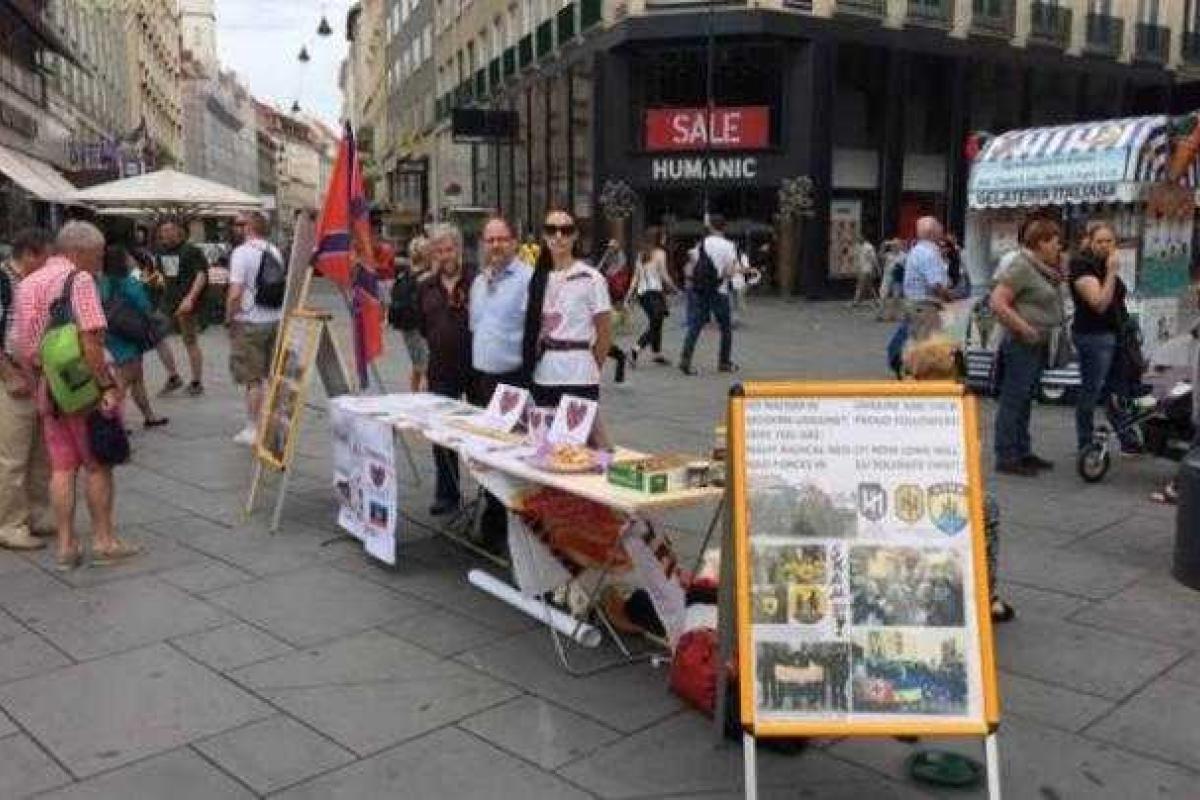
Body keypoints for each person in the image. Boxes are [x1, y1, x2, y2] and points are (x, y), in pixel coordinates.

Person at [10, 221, 139, 569]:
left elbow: (23, 346)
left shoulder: (28, 282)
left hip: (49, 389)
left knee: (62, 468)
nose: (99, 263)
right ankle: (103, 540)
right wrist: (106, 386)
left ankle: (66, 546)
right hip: (84, 390)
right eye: (97, 256)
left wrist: (38, 379)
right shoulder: (78, 280)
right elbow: (91, 339)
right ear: (78, 252)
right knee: (98, 465)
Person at [903, 335, 1015, 621]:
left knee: (982, 506)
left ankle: (980, 590)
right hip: (918, 493)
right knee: (985, 508)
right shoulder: (939, 405)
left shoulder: (954, 404)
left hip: (928, 492)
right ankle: (986, 594)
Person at [523, 206, 613, 447]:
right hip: (545, 374)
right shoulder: (538, 279)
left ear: (575, 236)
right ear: (544, 236)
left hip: (579, 374)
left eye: (566, 230)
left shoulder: (591, 278)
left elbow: (604, 332)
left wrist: (593, 365)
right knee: (546, 448)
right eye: (552, 230)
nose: (559, 236)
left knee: (579, 449)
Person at [468, 216, 533, 552]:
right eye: (490, 240)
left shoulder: (528, 280)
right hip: (483, 380)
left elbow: (535, 333)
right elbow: (477, 329)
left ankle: (508, 530)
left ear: (515, 242)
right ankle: (491, 523)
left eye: (502, 239)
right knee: (486, 456)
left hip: (513, 382)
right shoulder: (480, 282)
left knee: (509, 460)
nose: (495, 246)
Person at [989, 218, 1066, 476]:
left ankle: (1022, 450)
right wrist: (1023, 327)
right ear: (1041, 242)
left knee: (1025, 399)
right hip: (1022, 343)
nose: (1059, 246)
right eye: (1055, 241)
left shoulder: (1044, 268)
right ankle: (1006, 455)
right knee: (1013, 399)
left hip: (1039, 343)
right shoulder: (1022, 266)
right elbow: (998, 302)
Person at [0, 228, 54, 551]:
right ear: (31, 254)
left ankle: (35, 511)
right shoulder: (3, 282)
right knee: (13, 456)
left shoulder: (32, 283)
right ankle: (9, 523)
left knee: (39, 452)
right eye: (46, 258)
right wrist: (9, 374)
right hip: (12, 378)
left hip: (36, 376)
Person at [1070, 221, 1141, 457]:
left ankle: (1127, 438)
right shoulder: (1082, 266)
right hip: (1093, 335)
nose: (1105, 246)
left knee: (1117, 390)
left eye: (1109, 241)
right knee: (1091, 390)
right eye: (1099, 241)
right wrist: (1111, 272)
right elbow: (1099, 303)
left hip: (1115, 334)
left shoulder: (1105, 262)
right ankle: (1085, 443)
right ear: (1090, 242)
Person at [418, 224, 473, 515]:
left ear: (459, 250)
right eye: (438, 250)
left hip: (477, 368)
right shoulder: (426, 286)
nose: (444, 255)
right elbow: (423, 327)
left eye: (449, 249)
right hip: (440, 368)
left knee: (483, 432)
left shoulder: (476, 280)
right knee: (441, 433)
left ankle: (490, 496)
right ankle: (447, 493)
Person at [226, 212, 284, 446]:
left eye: (239, 224)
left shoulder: (241, 252)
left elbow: (236, 292)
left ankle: (253, 428)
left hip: (250, 320)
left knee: (252, 379)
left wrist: (229, 318)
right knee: (271, 375)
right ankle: (273, 421)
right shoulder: (274, 250)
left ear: (249, 227)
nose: (236, 228)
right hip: (274, 318)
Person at [100, 245, 168, 429]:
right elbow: (145, 303)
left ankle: (149, 415)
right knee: (125, 378)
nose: (132, 260)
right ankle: (112, 419)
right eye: (128, 257)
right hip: (128, 334)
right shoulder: (129, 280)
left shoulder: (102, 280)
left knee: (137, 377)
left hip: (111, 332)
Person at [153, 218, 208, 396]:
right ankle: (174, 376)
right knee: (156, 337)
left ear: (179, 232)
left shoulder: (191, 251)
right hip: (167, 302)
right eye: (163, 231)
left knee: (189, 341)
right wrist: (143, 279)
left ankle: (196, 381)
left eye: (170, 230)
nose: (167, 234)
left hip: (186, 303)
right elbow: (161, 276)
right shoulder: (161, 252)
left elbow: (201, 275)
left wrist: (190, 298)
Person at [679, 214, 737, 376]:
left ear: (711, 227)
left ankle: (685, 359)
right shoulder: (729, 245)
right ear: (724, 227)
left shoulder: (702, 244)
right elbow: (729, 271)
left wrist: (691, 282)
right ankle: (724, 362)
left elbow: (691, 265)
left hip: (701, 290)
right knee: (725, 328)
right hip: (720, 291)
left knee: (695, 326)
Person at [627, 226, 677, 367]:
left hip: (643, 294)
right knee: (656, 325)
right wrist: (674, 288)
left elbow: (635, 277)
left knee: (656, 323)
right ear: (658, 238)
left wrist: (629, 295)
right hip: (654, 293)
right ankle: (635, 349)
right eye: (663, 236)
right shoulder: (661, 253)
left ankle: (657, 354)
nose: (665, 238)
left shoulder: (641, 254)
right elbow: (664, 275)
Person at [389, 237, 431, 391]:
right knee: (427, 368)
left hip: (407, 328)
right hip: (420, 327)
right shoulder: (426, 277)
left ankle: (413, 395)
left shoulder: (405, 274)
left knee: (417, 365)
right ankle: (427, 400)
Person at [851, 235, 880, 308]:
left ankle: (856, 301)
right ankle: (876, 301)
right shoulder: (858, 246)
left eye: (859, 239)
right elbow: (857, 258)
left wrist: (877, 268)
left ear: (863, 239)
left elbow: (874, 258)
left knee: (860, 285)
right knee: (869, 287)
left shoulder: (869, 247)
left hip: (867, 269)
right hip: (862, 269)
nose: (858, 241)